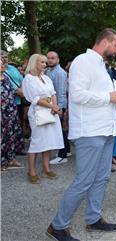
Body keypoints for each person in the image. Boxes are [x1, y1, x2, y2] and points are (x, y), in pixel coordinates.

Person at [47, 28, 116, 241]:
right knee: (84, 181)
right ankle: (58, 226)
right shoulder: (83, 61)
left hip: (106, 130)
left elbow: (100, 96)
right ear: (104, 42)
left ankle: (93, 219)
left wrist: (115, 97)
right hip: (89, 132)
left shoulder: (102, 65)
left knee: (101, 178)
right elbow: (78, 95)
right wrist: (109, 96)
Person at [22, 54, 64, 184]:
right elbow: (34, 99)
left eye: (46, 62)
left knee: (49, 140)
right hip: (38, 113)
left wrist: (55, 106)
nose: (45, 64)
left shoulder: (46, 77)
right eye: (42, 62)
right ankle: (32, 171)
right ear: (34, 63)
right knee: (37, 141)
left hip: (51, 111)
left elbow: (53, 93)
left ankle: (46, 169)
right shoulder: (28, 78)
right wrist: (52, 106)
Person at [46, 51, 71, 165]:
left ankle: (62, 155)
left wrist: (60, 108)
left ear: (58, 60)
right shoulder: (49, 71)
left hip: (58, 106)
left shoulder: (60, 73)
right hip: (54, 105)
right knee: (60, 130)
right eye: (48, 58)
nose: (50, 60)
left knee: (60, 131)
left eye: (53, 58)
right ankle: (67, 150)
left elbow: (61, 92)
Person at [1, 59, 24, 171]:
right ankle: (1, 162)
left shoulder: (5, 78)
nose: (3, 65)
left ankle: (10, 159)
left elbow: (11, 92)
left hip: (11, 111)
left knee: (11, 136)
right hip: (2, 113)